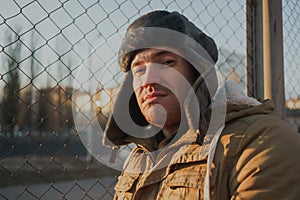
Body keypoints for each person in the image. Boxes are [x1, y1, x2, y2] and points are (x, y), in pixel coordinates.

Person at [103, 10, 300, 200]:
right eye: (139, 70)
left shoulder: (261, 141)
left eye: (166, 62)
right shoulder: (141, 154)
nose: (148, 80)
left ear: (198, 73)